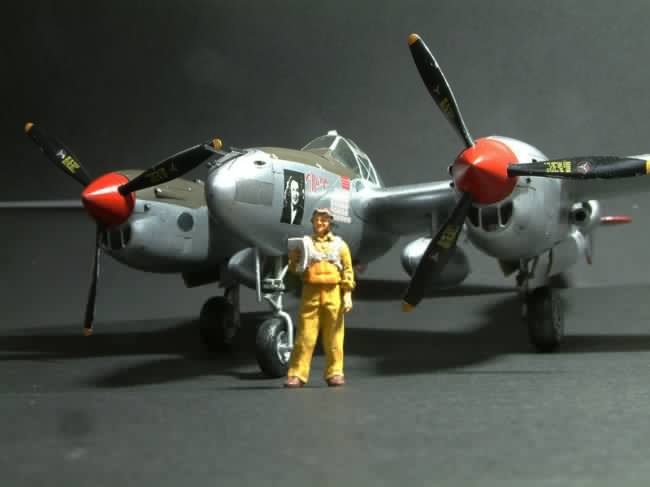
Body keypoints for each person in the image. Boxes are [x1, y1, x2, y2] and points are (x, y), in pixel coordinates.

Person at [284, 208, 355, 388]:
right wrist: (293, 259)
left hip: (333, 293)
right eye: (317, 219)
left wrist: (347, 294)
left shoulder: (340, 245)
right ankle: (297, 374)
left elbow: (348, 271)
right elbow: (294, 270)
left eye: (324, 219)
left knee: (334, 336)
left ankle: (335, 372)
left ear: (329, 222)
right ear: (313, 222)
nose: (320, 222)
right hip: (311, 292)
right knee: (305, 336)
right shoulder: (305, 244)